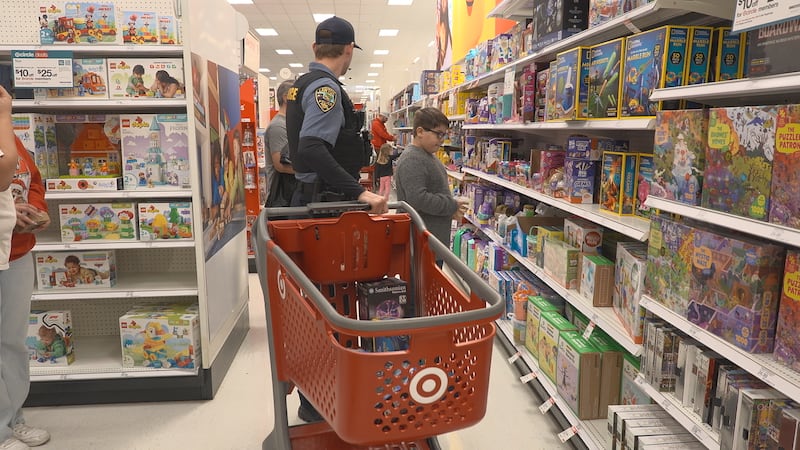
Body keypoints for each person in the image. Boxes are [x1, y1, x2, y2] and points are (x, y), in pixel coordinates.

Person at [286, 16, 387, 214]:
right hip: (326, 204)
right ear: (349, 49)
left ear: (314, 47)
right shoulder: (326, 89)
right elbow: (311, 147)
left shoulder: (301, 84)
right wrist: (360, 192)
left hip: (312, 197)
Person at [0, 83, 51, 450]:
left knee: (12, 342)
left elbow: (28, 177)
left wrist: (34, 208)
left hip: (16, 251)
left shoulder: (10, 133)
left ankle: (12, 418)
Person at [395, 107, 468, 249]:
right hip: (422, 243)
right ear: (420, 132)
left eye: (444, 135)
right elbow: (418, 199)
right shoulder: (412, 159)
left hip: (432, 238)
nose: (442, 140)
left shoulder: (426, 155)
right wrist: (452, 205)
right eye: (438, 134)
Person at [264, 80, 295, 207]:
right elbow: (280, 165)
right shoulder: (278, 126)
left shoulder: (289, 124)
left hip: (289, 194)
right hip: (281, 198)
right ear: (286, 98)